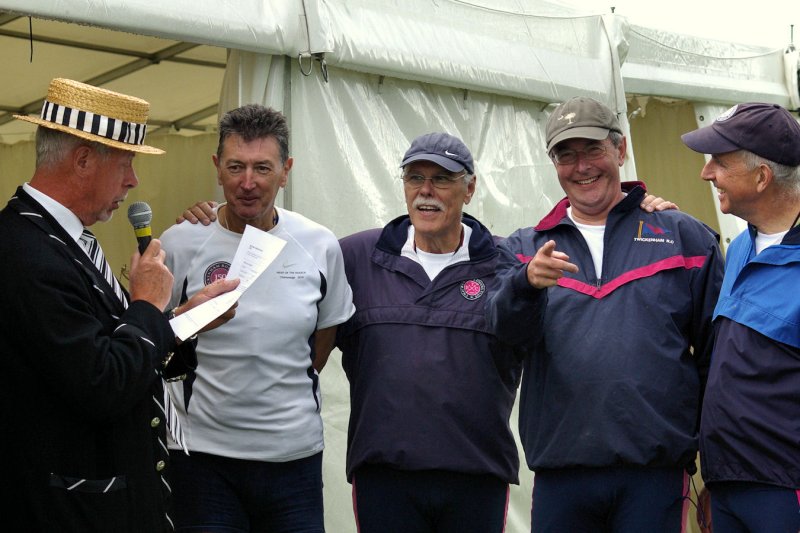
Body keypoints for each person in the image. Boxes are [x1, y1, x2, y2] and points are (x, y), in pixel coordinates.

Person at [179, 132, 677, 533]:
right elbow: (307, 327)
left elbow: (578, 295)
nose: (426, 191)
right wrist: (208, 220)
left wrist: (640, 209)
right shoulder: (355, 255)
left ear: (471, 188)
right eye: (415, 177)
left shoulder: (510, 261)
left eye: (442, 180)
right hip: (383, 477)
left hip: (477, 476)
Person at [0, 78, 238, 532]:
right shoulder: (24, 251)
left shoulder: (56, 239)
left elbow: (106, 344)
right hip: (69, 512)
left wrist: (181, 320)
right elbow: (102, 382)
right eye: (126, 162)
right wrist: (147, 303)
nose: (133, 180)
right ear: (84, 160)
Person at [486, 96, 725, 532]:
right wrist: (525, 285)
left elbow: (718, 359)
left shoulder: (685, 238)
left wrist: (717, 466)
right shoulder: (523, 248)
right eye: (565, 155)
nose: (581, 167)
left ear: (621, 149)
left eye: (592, 149)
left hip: (656, 474)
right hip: (561, 473)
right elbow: (501, 336)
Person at [159, 103, 355, 532]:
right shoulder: (180, 243)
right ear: (216, 167)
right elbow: (152, 338)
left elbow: (320, 346)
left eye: (262, 168)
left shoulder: (319, 245)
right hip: (203, 459)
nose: (248, 183)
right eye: (235, 167)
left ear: (286, 170)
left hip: (293, 460)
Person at [681, 102, 800, 533]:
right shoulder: (742, 246)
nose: (706, 173)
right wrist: (719, 475)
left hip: (784, 491)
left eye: (719, 161)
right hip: (730, 483)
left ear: (762, 176)